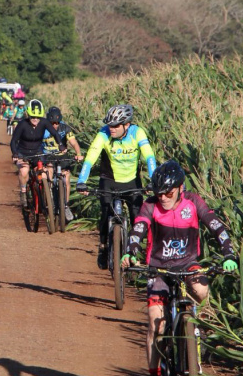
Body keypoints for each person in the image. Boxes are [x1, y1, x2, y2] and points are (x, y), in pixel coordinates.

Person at [121, 160, 237, 376]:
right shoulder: (150, 206)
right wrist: (130, 251)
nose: (163, 197)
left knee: (202, 290)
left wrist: (229, 253)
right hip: (159, 268)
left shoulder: (194, 202)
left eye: (168, 192)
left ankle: (200, 332)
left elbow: (215, 225)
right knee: (155, 323)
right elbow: (138, 229)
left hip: (188, 265)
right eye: (158, 192)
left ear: (180, 188)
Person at [76, 104, 157, 270]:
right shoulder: (104, 133)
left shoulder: (137, 132)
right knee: (106, 213)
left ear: (126, 125)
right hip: (109, 180)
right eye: (109, 125)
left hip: (132, 181)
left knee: (137, 217)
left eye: (115, 126)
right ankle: (104, 246)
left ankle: (134, 253)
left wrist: (153, 179)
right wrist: (81, 181)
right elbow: (91, 156)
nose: (111, 128)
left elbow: (149, 156)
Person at [10, 99, 65, 208]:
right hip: (23, 152)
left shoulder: (44, 122)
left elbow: (55, 133)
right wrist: (15, 153)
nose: (35, 119)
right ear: (28, 115)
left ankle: (45, 197)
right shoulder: (22, 124)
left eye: (38, 117)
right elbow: (13, 141)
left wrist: (60, 144)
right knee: (24, 171)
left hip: (37, 151)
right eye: (33, 117)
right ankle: (23, 191)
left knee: (43, 174)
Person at [42, 106, 84, 220]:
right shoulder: (43, 128)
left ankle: (65, 205)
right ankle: (50, 201)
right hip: (48, 156)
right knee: (48, 174)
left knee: (66, 178)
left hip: (62, 157)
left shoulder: (65, 128)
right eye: (52, 123)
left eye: (57, 123)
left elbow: (73, 142)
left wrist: (78, 153)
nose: (55, 125)